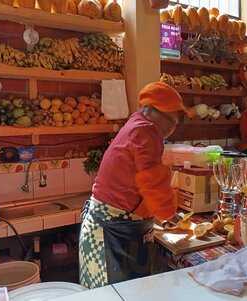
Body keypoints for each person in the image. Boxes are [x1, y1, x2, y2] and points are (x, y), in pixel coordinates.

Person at [79, 82, 187, 289]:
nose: (172, 129)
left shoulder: (136, 125)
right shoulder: (146, 131)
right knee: (115, 295)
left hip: (112, 226)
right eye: (172, 121)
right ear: (155, 113)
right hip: (110, 232)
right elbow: (152, 180)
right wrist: (168, 213)